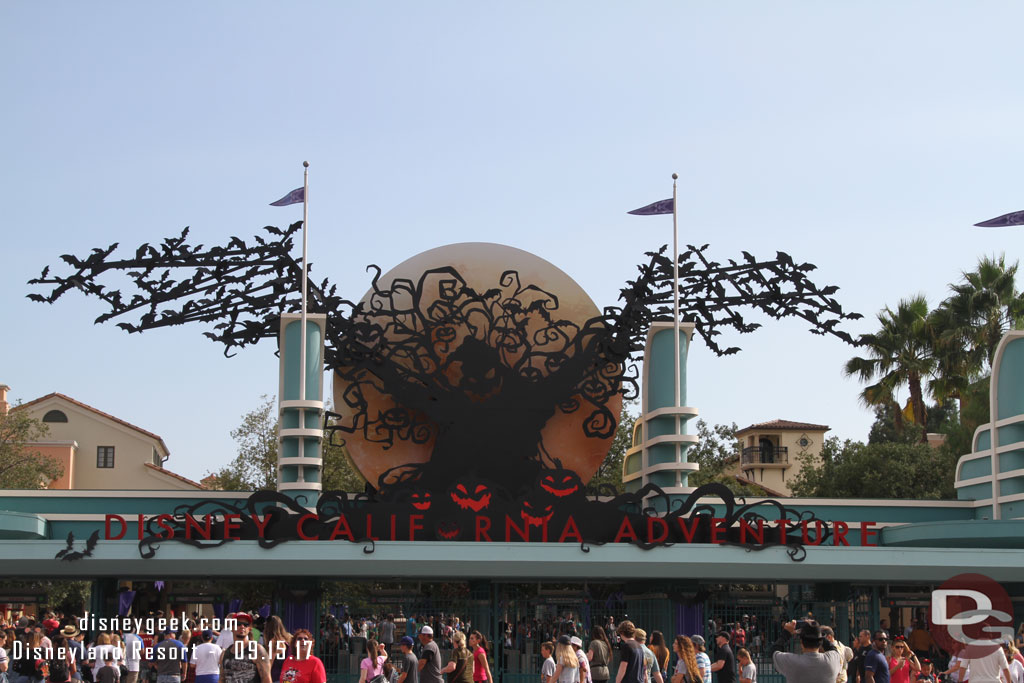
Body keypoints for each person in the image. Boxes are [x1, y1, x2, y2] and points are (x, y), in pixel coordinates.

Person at [770, 621, 843, 683]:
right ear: (820, 642)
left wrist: (786, 633)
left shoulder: (792, 661)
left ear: (801, 642)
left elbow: (774, 651)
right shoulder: (832, 660)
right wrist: (816, 631)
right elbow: (833, 648)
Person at [218, 613, 271, 683]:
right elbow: (222, 679)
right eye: (238, 624)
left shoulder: (257, 650)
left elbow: (266, 679)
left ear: (249, 628)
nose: (242, 626)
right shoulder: (224, 654)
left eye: (246, 624)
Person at [261, 618, 291, 683]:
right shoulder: (288, 640)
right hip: (287, 677)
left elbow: (269, 664)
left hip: (276, 678)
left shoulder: (274, 642)